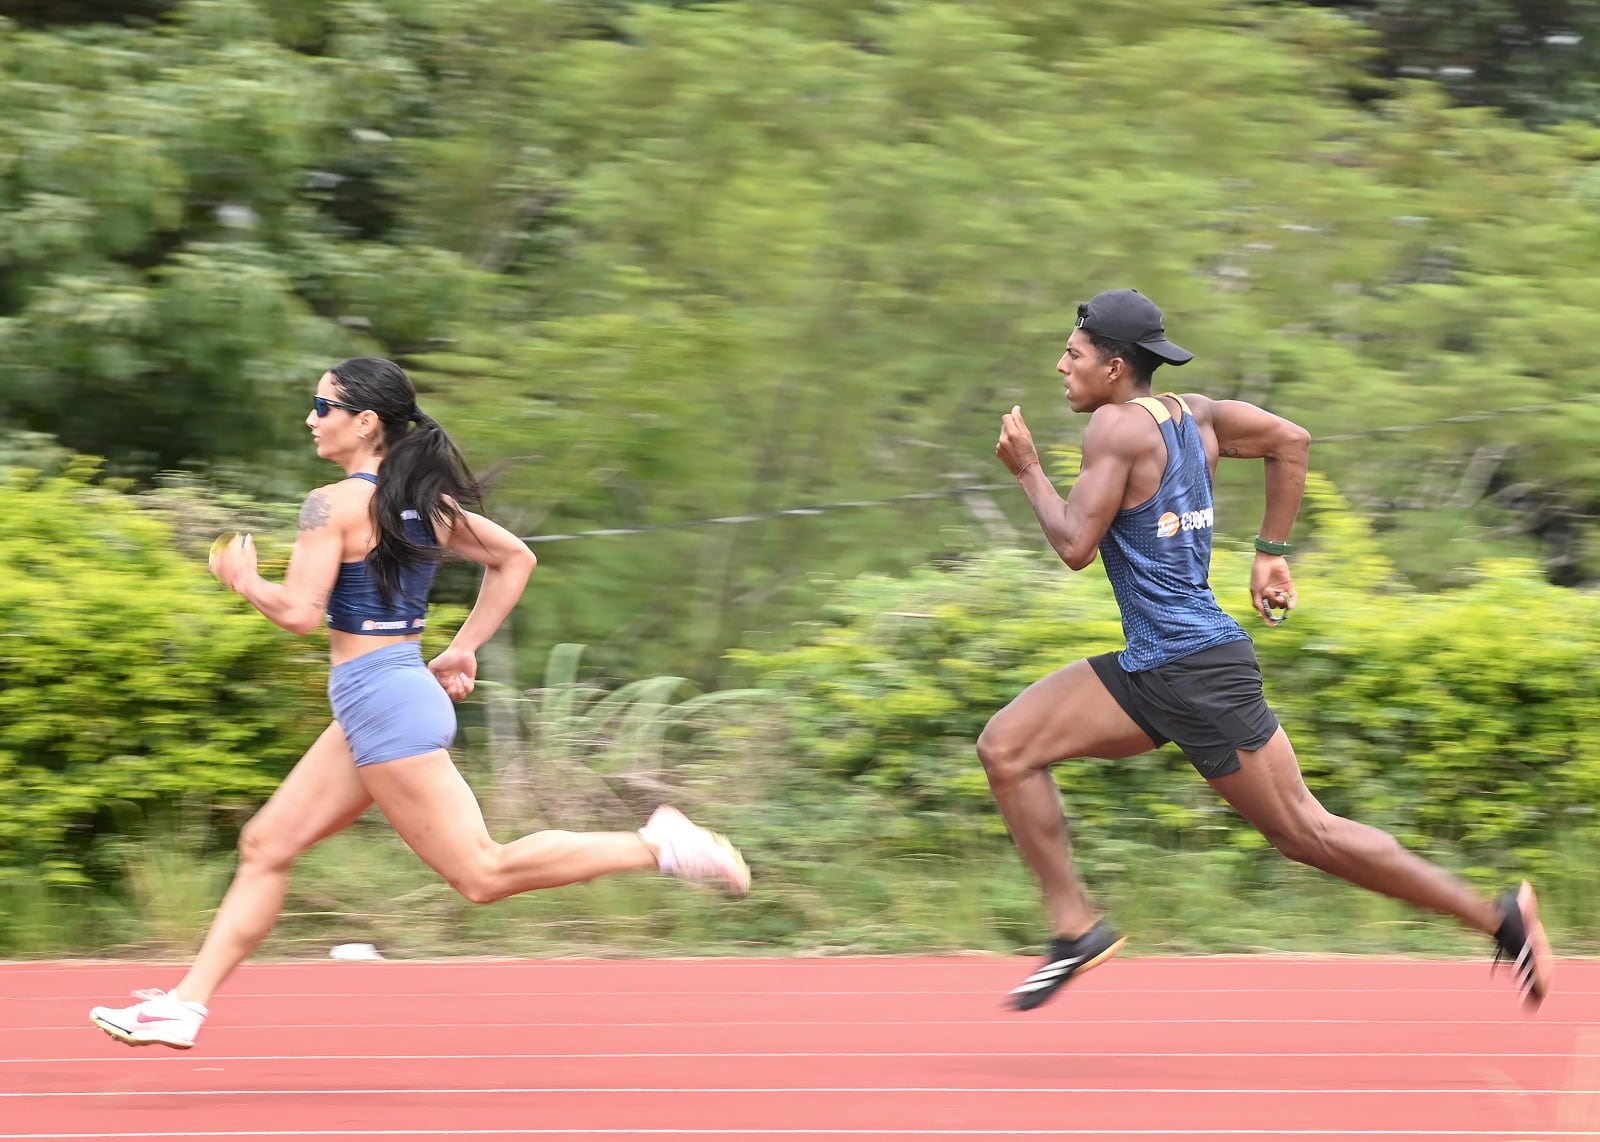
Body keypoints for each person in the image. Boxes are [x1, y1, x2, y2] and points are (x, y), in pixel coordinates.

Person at [89, 357, 749, 1050]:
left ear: (365, 422)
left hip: (383, 702)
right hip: (391, 693)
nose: (310, 419)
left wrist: (244, 579)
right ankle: (184, 1005)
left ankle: (657, 846)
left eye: (322, 407)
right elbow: (515, 558)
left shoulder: (331, 504)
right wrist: (462, 649)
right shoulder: (425, 506)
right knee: (266, 843)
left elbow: (299, 614)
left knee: (482, 873)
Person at [982, 288, 1554, 1013]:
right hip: (1159, 665)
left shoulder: (1116, 432)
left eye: (1074, 354)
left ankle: (1500, 919)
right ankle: (1075, 928)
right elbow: (1291, 439)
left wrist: (1028, 469)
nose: (1061, 365)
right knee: (1007, 746)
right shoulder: (1199, 415)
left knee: (1307, 832)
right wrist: (1271, 554)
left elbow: (1073, 546)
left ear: (1116, 368)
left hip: (1194, 671)